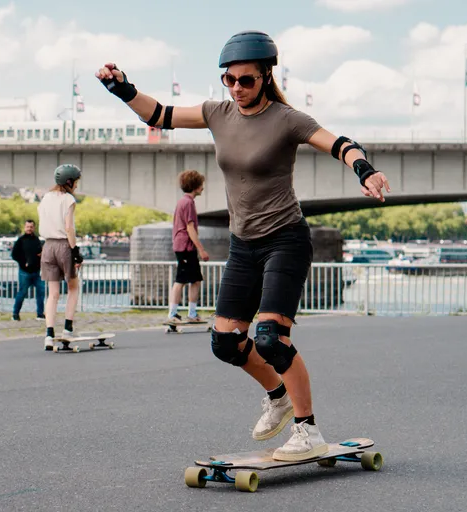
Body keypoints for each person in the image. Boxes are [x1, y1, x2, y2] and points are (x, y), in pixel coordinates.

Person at [96, 31, 390, 461]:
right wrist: (121, 87)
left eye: (245, 80)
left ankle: (307, 429)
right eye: (228, 80)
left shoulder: (287, 119)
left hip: (285, 240)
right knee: (225, 342)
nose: (236, 88)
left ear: (265, 76)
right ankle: (278, 395)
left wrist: (364, 169)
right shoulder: (218, 113)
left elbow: (339, 144)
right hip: (243, 245)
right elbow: (158, 115)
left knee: (270, 337)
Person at [37, 164, 84, 351]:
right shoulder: (68, 199)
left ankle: (49, 334)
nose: (77, 186)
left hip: (47, 246)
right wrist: (76, 253)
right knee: (73, 288)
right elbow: (69, 228)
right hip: (64, 245)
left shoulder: (45, 198)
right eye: (76, 182)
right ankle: (67, 329)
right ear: (70, 182)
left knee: (53, 293)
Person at [168, 170, 210, 325]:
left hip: (183, 246)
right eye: (201, 185)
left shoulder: (183, 202)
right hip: (185, 247)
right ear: (195, 186)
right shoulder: (188, 203)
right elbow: (190, 228)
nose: (203, 188)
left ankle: (192, 313)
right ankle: (173, 314)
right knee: (181, 280)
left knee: (196, 280)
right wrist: (201, 249)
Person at [11, 219, 46, 321]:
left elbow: (40, 253)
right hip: (24, 273)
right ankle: (15, 314)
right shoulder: (20, 240)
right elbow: (14, 255)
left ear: (34, 228)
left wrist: (40, 255)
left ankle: (40, 314)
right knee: (22, 293)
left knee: (41, 292)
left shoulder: (37, 240)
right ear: (24, 227)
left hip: (36, 272)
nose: (29, 229)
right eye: (27, 227)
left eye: (31, 227)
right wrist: (24, 263)